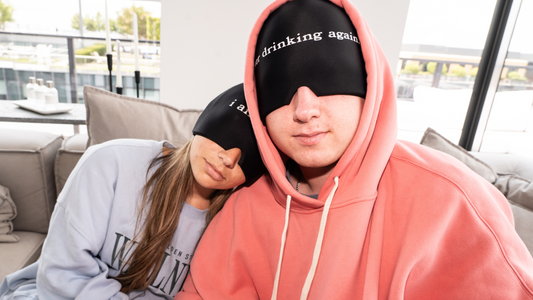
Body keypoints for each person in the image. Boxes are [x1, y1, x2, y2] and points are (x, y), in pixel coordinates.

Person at [176, 0, 533, 299]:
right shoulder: (243, 207)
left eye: (328, 77)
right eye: (281, 87)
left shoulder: (456, 202)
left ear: (368, 83)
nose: (304, 109)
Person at [0, 83, 266, 300]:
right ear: (207, 119)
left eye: (250, 155)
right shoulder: (110, 162)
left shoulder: (237, 219)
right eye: (228, 134)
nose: (229, 158)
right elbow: (64, 275)